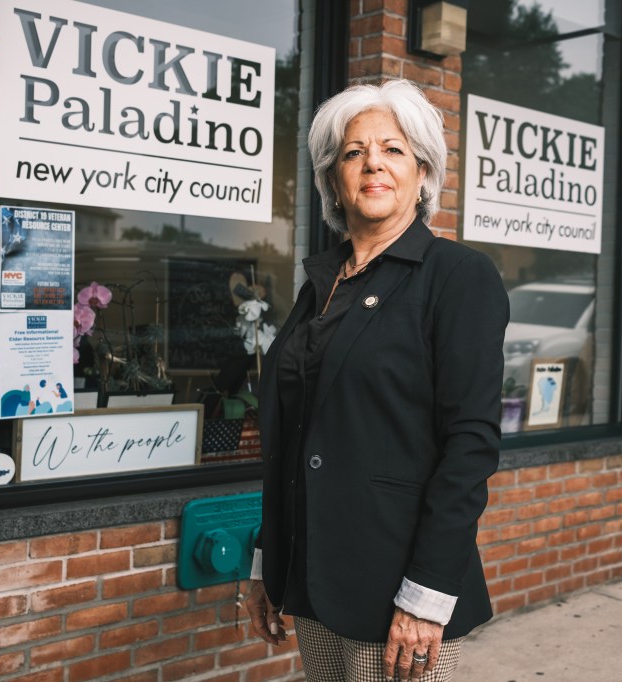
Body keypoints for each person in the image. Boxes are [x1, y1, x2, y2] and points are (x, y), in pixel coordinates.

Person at [245, 79, 510, 681]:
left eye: (392, 149)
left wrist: (426, 596)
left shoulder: (457, 277)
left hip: (400, 590)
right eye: (353, 152)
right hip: (313, 576)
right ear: (333, 178)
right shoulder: (323, 283)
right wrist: (269, 562)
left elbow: (471, 445)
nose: (373, 165)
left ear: (422, 172)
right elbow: (297, 437)